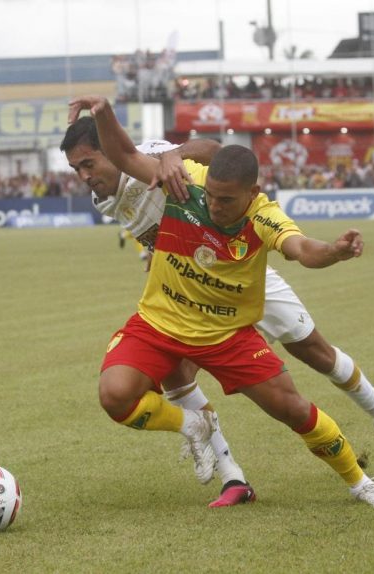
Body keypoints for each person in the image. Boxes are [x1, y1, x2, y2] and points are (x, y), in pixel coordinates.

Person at [69, 95, 374, 508]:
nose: (213, 206)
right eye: (210, 196)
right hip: (162, 321)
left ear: (252, 193)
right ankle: (195, 427)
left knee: (295, 408)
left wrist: (334, 251)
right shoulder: (183, 184)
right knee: (114, 395)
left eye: (226, 199)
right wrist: (102, 112)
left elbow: (301, 249)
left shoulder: (264, 216)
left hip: (225, 330)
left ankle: (360, 481)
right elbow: (124, 154)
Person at [61, 123, 253, 507]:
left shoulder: (145, 155)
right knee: (172, 378)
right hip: (182, 290)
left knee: (314, 356)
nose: (83, 176)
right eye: (75, 169)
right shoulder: (104, 198)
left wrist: (173, 152)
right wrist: (158, 251)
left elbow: (214, 149)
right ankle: (231, 474)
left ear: (110, 151)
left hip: (234, 275)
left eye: (87, 163)